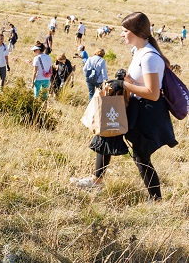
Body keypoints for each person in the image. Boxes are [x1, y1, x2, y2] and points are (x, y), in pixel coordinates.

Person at [71, 12, 177, 201]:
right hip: (137, 106)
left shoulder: (149, 57)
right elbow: (138, 81)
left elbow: (152, 93)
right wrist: (124, 78)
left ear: (136, 31)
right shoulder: (139, 52)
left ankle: (157, 200)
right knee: (106, 133)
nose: (122, 34)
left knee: (141, 156)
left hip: (147, 112)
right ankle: (97, 179)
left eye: (125, 30)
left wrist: (124, 85)